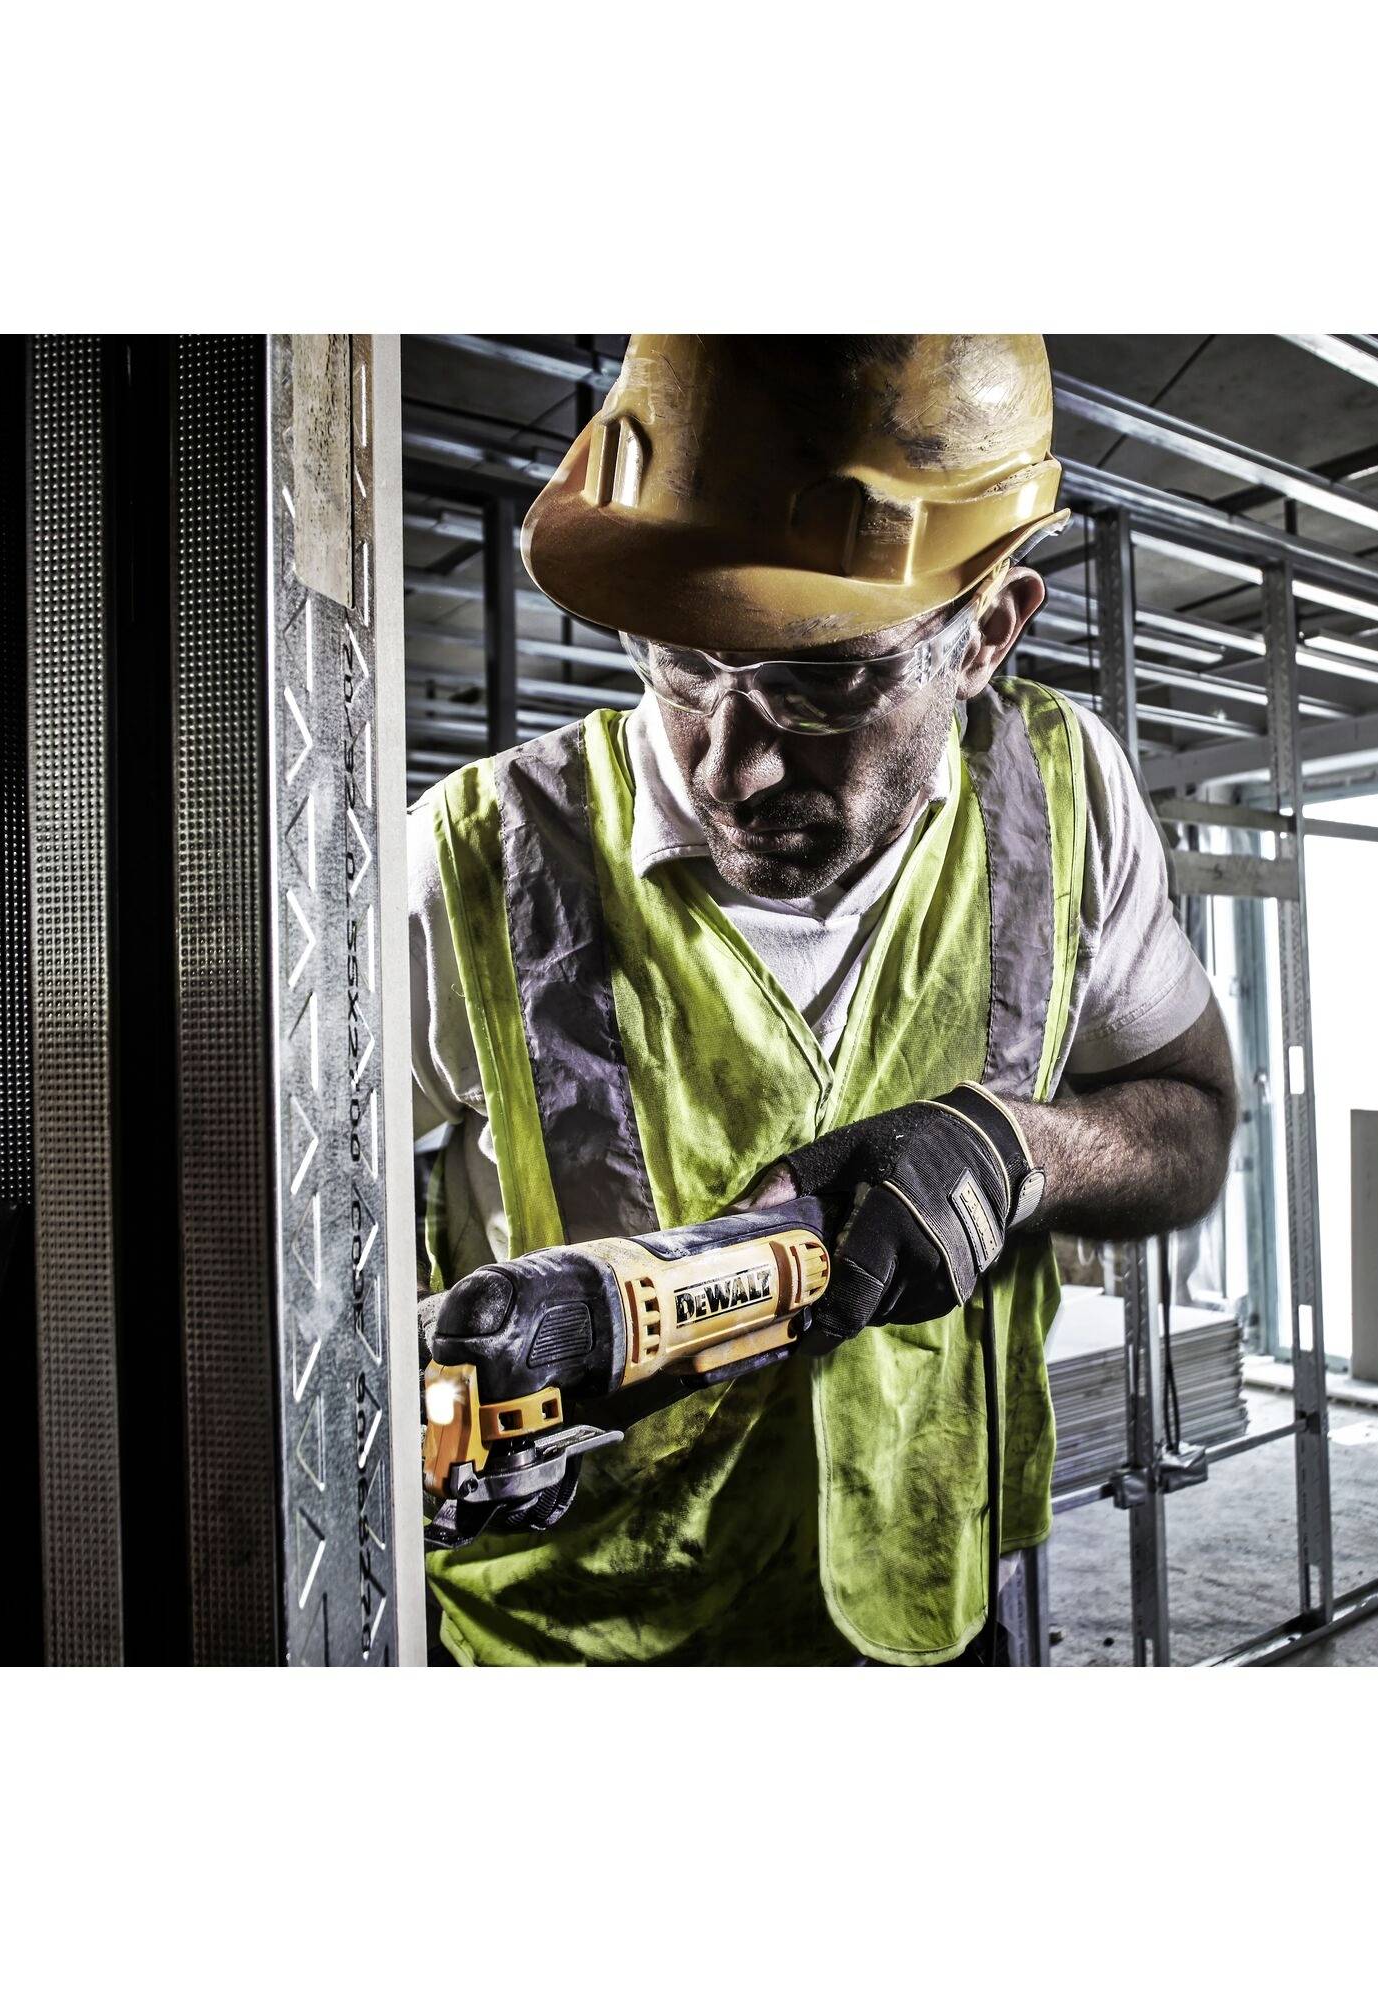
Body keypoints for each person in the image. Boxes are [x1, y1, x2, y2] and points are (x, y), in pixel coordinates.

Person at [410, 335, 1237, 1665]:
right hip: (573, 1647)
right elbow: (255, 1248)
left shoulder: (1063, 799)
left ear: (988, 634)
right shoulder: (476, 856)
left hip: (925, 1615)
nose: (727, 769)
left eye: (817, 680)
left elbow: (1190, 1119)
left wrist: (1019, 1151)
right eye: (680, 667)